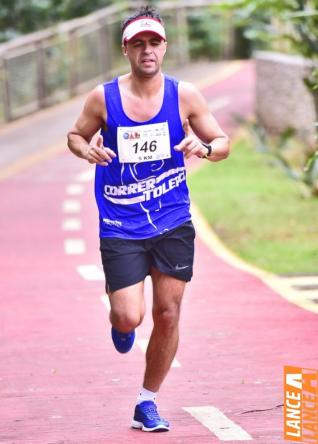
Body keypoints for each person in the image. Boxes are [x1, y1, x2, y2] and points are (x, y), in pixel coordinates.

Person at [67, 5, 230, 433]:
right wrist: (87, 151)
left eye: (153, 42)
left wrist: (204, 148)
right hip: (120, 223)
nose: (147, 50)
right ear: (126, 49)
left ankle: (147, 401)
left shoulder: (186, 95)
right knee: (129, 317)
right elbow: (75, 135)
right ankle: (119, 320)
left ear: (164, 46)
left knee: (170, 313)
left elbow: (222, 141)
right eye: (137, 43)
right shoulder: (104, 97)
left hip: (172, 218)